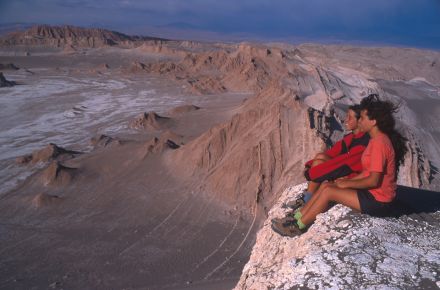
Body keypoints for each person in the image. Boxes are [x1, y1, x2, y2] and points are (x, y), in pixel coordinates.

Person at [272, 94, 408, 237]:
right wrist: (346, 182)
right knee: (326, 186)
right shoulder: (375, 140)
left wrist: (347, 183)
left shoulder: (379, 144)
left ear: (373, 121)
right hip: (372, 194)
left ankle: (298, 226)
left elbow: (373, 180)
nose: (359, 121)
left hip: (379, 201)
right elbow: (367, 172)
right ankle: (297, 217)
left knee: (329, 192)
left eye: (362, 118)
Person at [283, 104, 370, 211]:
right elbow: (332, 153)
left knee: (319, 164)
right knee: (320, 157)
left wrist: (313, 173)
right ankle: (307, 198)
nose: (346, 120)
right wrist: (310, 165)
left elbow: (343, 164)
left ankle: (307, 200)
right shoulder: (351, 138)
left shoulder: (363, 142)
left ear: (359, 121)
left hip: (353, 177)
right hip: (345, 170)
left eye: (350, 117)